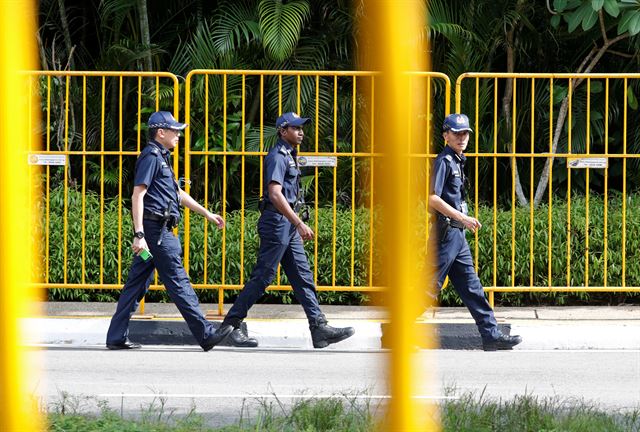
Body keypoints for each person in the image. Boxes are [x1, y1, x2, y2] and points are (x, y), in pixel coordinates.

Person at [218, 112, 355, 348]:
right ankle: (230, 325)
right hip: (277, 223)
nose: (301, 132)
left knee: (303, 276)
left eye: (302, 128)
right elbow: (275, 193)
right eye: (295, 128)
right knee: (263, 277)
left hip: (287, 225)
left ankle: (318, 327)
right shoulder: (277, 156)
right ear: (283, 131)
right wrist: (298, 222)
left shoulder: (290, 155)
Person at [106, 111, 233, 351]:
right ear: (161, 132)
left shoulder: (162, 157)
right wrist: (140, 234)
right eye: (174, 131)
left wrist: (206, 213)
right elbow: (138, 195)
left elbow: (176, 193)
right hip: (156, 234)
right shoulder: (151, 156)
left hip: (156, 232)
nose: (178, 135)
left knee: (136, 284)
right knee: (178, 280)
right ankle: (205, 334)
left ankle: (115, 336)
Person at [429, 113, 522, 351]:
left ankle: (491, 335)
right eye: (457, 133)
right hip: (447, 233)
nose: (462, 138)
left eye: (465, 133)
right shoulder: (444, 161)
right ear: (446, 136)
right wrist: (461, 217)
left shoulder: (458, 160)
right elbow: (432, 198)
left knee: (472, 288)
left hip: (457, 236)